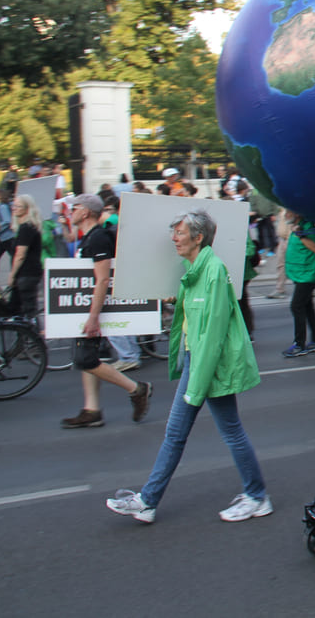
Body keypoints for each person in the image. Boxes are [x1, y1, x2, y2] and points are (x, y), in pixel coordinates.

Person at [106, 209, 270, 524]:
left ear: (198, 237)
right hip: (198, 361)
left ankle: (258, 496)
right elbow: (194, 313)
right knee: (178, 433)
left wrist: (196, 383)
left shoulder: (213, 271)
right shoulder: (197, 268)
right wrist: (174, 299)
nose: (173, 238)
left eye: (179, 233)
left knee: (226, 431)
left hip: (208, 365)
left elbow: (212, 335)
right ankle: (148, 501)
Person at [60, 194, 153, 428]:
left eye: (75, 208)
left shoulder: (98, 238)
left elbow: (102, 280)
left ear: (87, 212)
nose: (71, 211)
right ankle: (91, 410)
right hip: (86, 308)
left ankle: (137, 389)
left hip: (94, 310)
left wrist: (93, 317)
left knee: (85, 359)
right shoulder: (88, 237)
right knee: (87, 358)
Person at [281, 210, 315, 357]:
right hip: (302, 274)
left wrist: (301, 235)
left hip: (308, 274)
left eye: (288, 211)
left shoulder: (307, 226)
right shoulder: (300, 226)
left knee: (296, 306)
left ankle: (299, 345)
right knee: (307, 306)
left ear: (297, 213)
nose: (286, 214)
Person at [7, 194, 44, 322]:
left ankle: (32, 336)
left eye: (18, 206)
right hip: (29, 273)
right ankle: (25, 336)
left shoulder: (26, 228)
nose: (14, 208)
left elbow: (20, 254)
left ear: (27, 209)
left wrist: (12, 275)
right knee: (19, 307)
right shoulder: (28, 227)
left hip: (26, 273)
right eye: (14, 205)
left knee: (28, 309)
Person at [0, 188, 17, 277]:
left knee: (12, 258)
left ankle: (13, 277)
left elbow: (7, 221)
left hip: (8, 237)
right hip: (3, 237)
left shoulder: (2, 207)